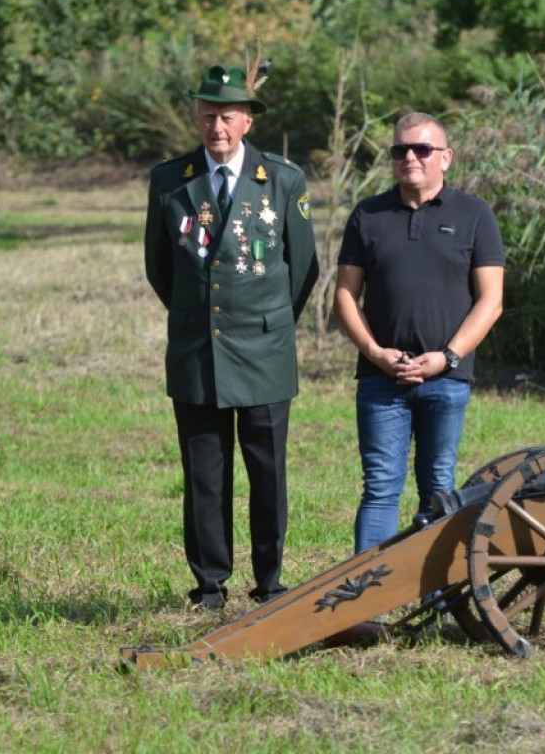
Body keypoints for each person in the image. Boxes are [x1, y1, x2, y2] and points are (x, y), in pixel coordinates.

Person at [144, 62, 319, 610]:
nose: (215, 127)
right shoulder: (170, 180)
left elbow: (303, 268)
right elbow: (160, 267)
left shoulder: (283, 179)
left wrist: (263, 321)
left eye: (226, 117)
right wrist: (202, 318)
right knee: (205, 474)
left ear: (247, 120)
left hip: (265, 352)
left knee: (267, 473)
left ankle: (269, 581)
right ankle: (210, 583)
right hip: (198, 351)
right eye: (205, 116)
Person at [333, 112, 504, 554]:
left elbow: (491, 301)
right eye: (400, 150)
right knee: (380, 488)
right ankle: (366, 604)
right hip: (380, 379)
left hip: (446, 379)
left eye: (422, 149)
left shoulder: (475, 215)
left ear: (445, 158)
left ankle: (439, 602)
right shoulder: (367, 215)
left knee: (439, 486)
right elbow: (345, 296)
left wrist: (446, 357)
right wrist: (375, 353)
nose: (409, 157)